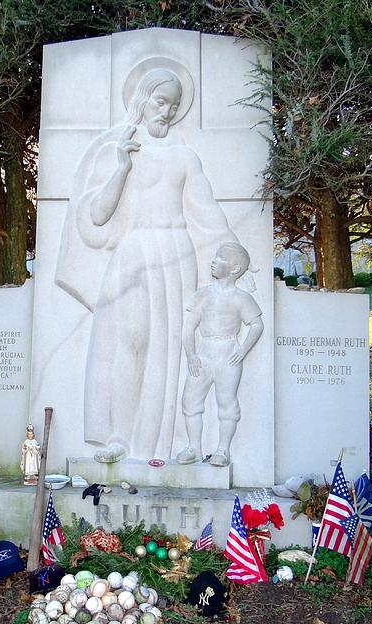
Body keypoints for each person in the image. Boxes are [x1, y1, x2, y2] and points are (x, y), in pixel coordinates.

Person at [55, 65, 239, 464]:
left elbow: (207, 214)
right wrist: (121, 168)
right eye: (160, 102)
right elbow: (98, 215)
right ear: (142, 99)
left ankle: (158, 444)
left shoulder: (185, 157)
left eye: (174, 106)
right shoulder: (118, 147)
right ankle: (120, 435)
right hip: (134, 251)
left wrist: (236, 256)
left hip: (175, 255)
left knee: (170, 347)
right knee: (132, 340)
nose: (167, 112)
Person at [176, 243, 263, 467]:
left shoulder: (241, 298)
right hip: (204, 351)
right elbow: (188, 328)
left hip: (228, 352)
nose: (213, 260)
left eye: (220, 258)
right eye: (215, 256)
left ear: (234, 269)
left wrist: (243, 350)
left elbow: (256, 324)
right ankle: (194, 448)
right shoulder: (202, 295)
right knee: (190, 400)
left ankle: (222, 450)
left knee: (226, 401)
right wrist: (192, 355)